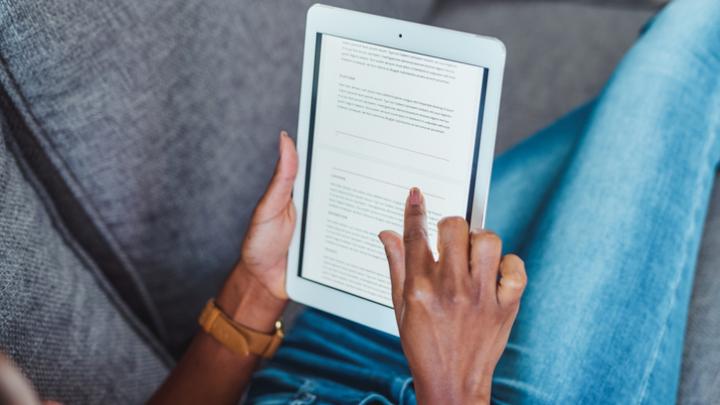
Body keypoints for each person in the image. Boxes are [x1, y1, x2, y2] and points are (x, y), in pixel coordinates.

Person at [1, 0, 718, 403]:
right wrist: (456, 381)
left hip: (313, 368)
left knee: (654, 84)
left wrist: (258, 285)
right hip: (467, 388)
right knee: (692, 40)